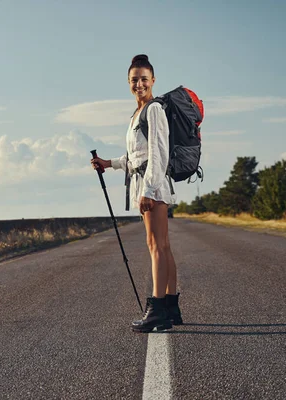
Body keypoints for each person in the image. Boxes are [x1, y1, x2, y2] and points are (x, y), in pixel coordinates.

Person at [90, 54, 182, 333]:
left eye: (144, 79)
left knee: (156, 247)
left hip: (152, 187)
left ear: (153, 80)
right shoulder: (137, 114)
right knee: (162, 246)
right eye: (134, 80)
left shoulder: (154, 110)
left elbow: (158, 153)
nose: (139, 84)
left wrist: (149, 191)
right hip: (150, 184)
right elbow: (136, 156)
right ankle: (171, 307)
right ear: (128, 83)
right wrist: (110, 163)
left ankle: (157, 311)